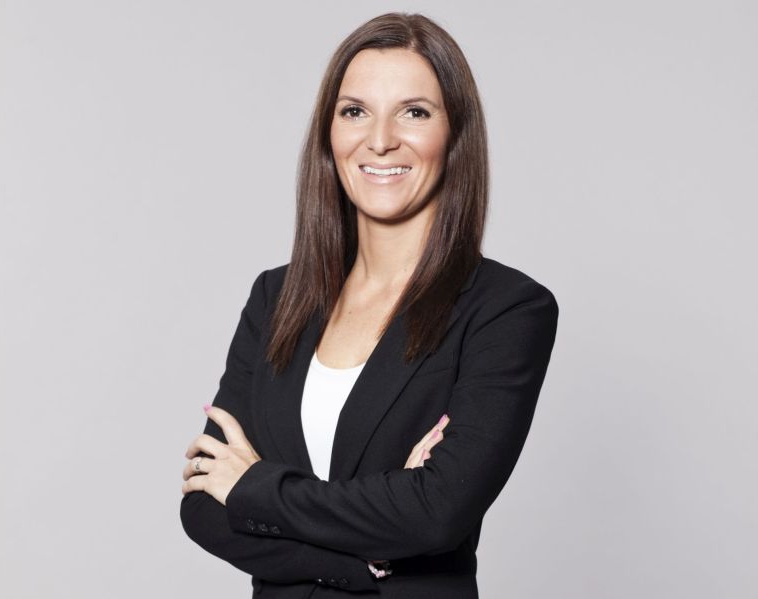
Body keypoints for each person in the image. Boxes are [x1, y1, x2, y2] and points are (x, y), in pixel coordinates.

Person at [180, 11, 558, 599]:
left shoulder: (506, 310)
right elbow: (204, 506)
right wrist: (364, 555)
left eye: (414, 112)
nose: (380, 140)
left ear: (454, 134)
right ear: (328, 134)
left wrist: (252, 486)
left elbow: (435, 512)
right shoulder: (276, 297)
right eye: (355, 111)